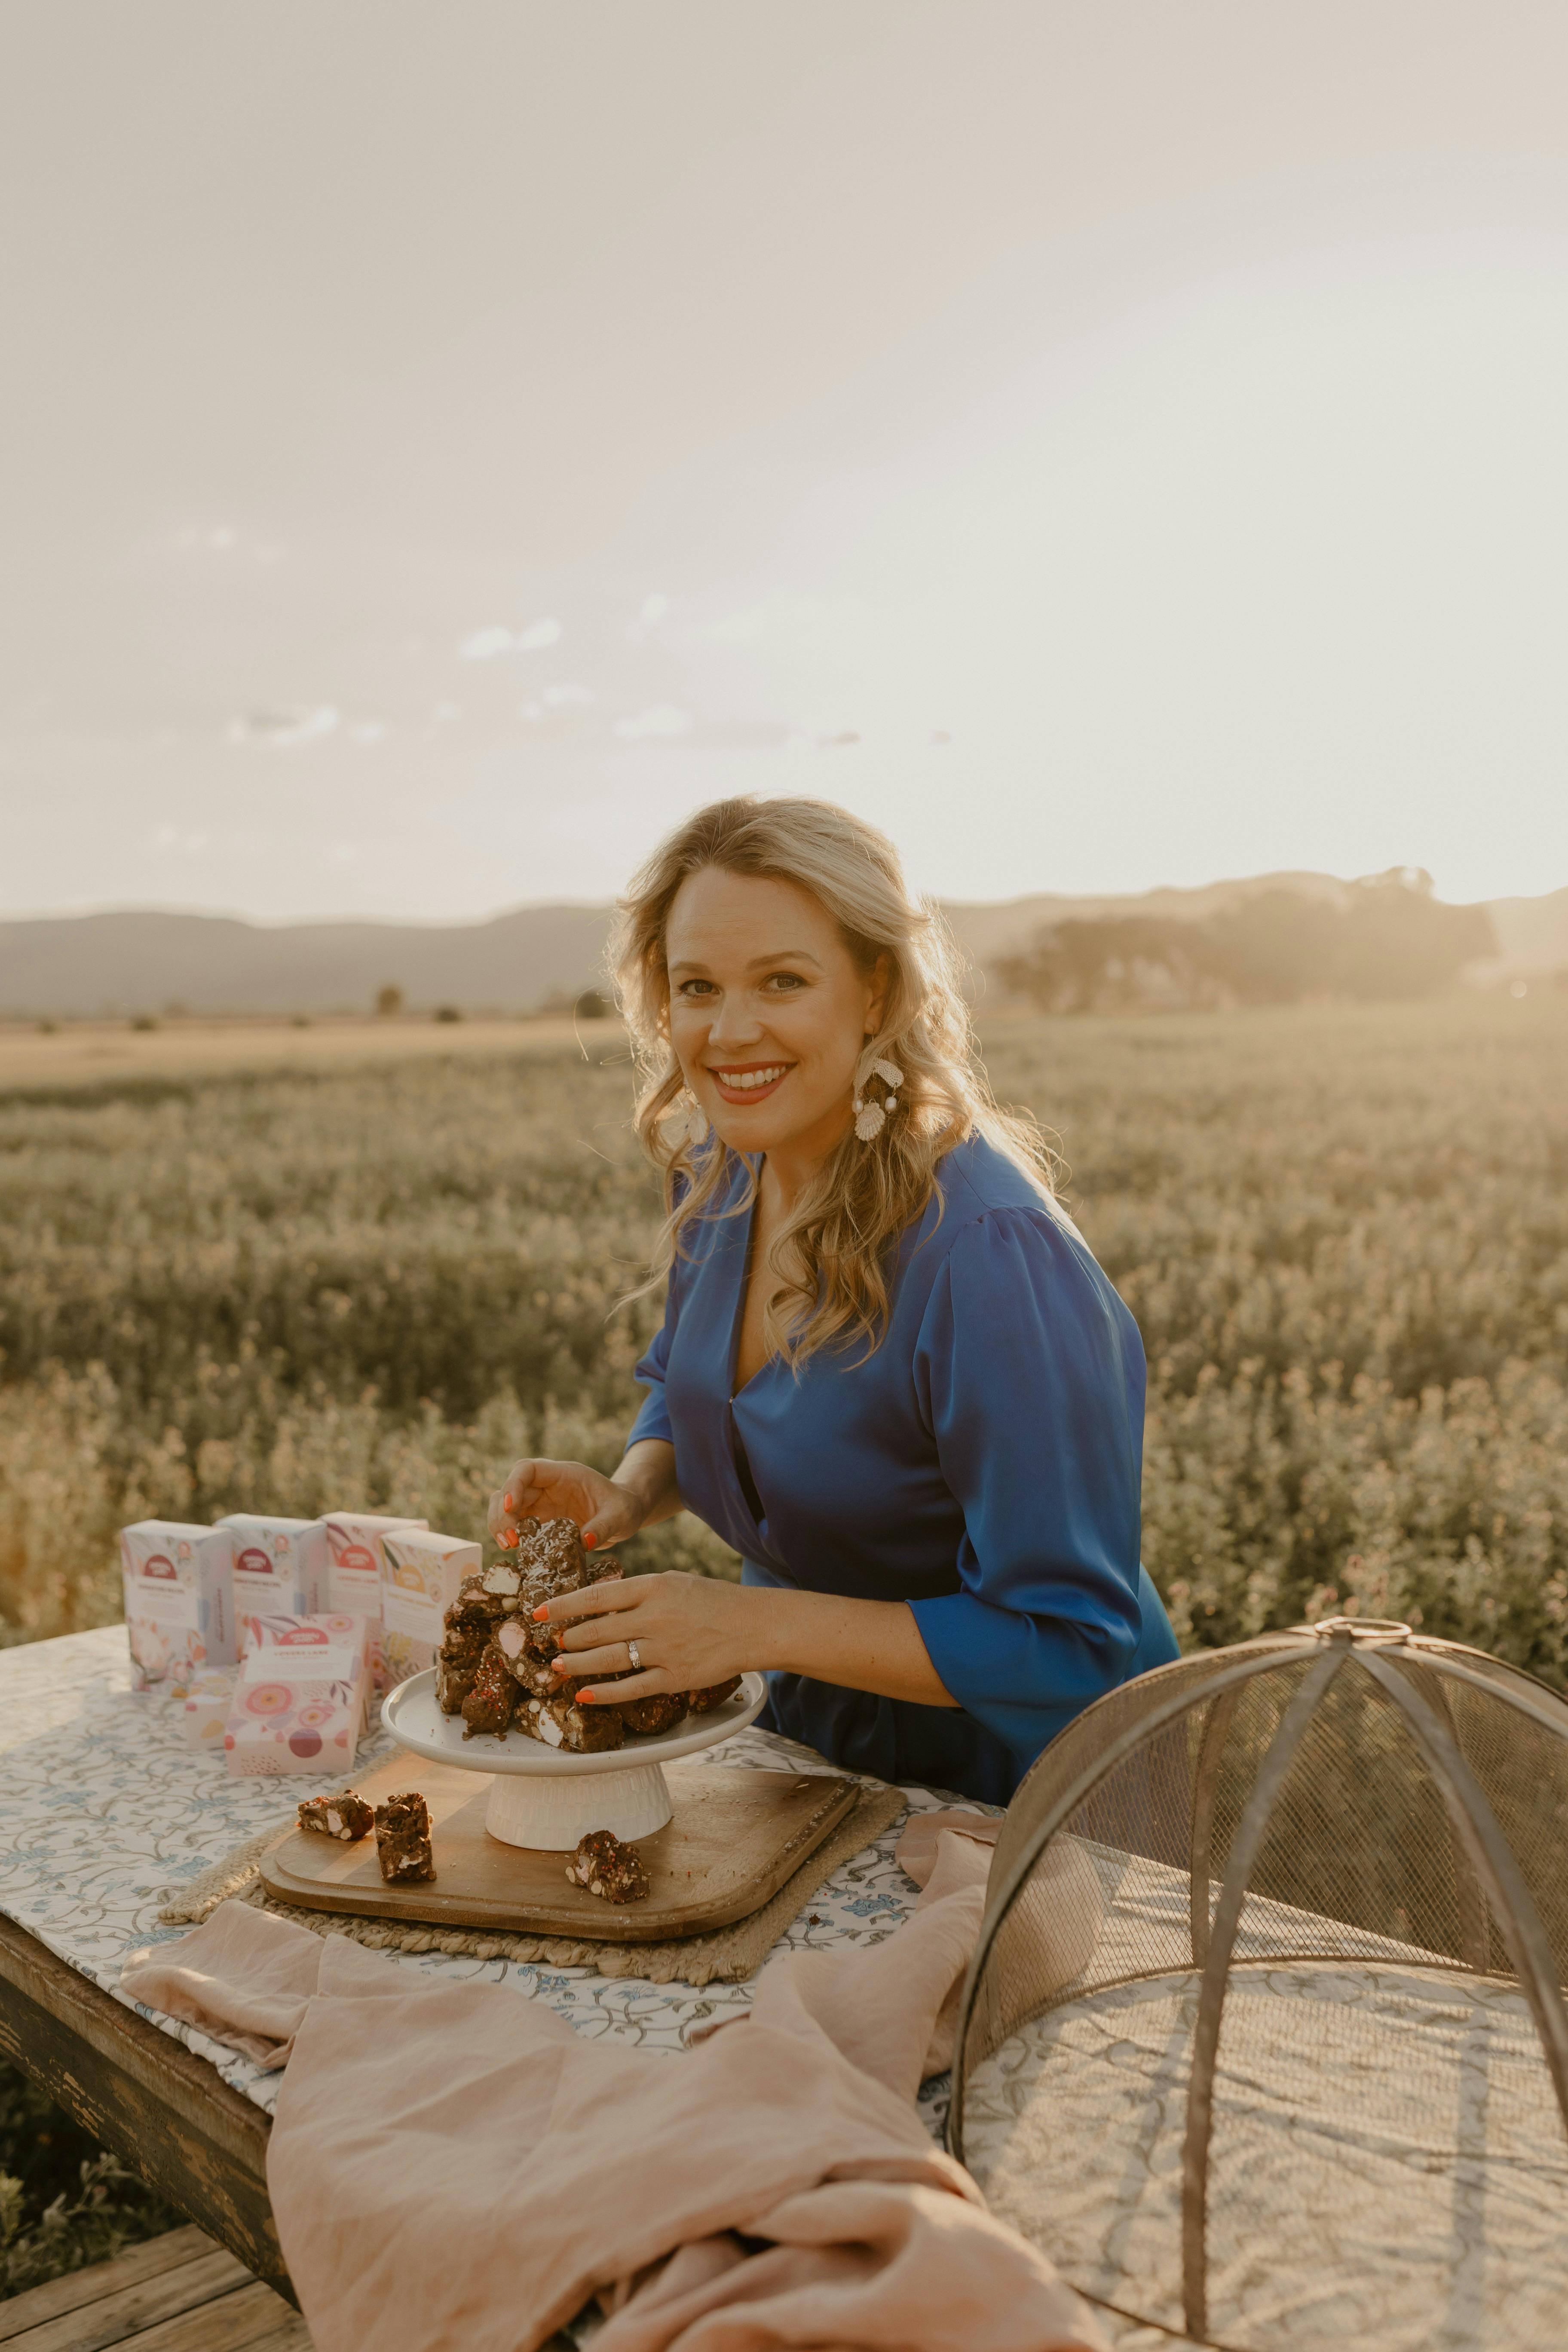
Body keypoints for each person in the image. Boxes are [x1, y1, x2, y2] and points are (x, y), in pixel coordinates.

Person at [487, 796, 1178, 1804]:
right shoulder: (723, 1174)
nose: (729, 1032)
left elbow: (1073, 1648)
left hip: (1034, 1795)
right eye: (697, 987)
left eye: (782, 981)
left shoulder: (991, 1255)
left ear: (876, 990)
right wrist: (633, 1490)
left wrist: (749, 1626)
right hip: (812, 1750)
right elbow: (704, 1383)